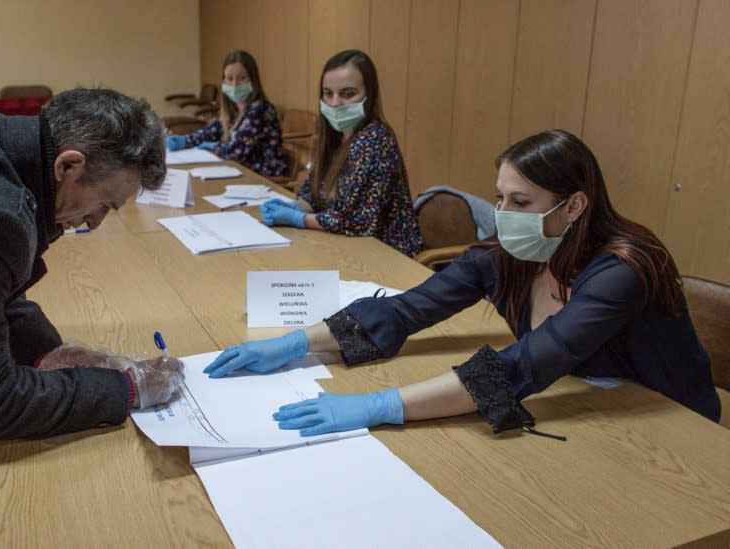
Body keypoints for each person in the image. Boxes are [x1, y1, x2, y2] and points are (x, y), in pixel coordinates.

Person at [204, 129, 721, 436]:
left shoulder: (623, 270)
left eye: (521, 203)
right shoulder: (515, 255)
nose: (503, 215)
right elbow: (409, 309)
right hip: (589, 407)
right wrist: (294, 343)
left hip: (664, 423)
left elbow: (527, 364)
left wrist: (381, 406)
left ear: (575, 206)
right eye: (500, 199)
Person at [0, 88, 184, 440]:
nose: (94, 223)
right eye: (104, 204)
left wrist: (49, 353)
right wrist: (127, 388)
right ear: (68, 165)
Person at [259, 49, 423, 257]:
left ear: (369, 94)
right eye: (328, 93)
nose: (335, 103)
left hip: (386, 256)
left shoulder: (375, 139)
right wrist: (298, 205)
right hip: (343, 246)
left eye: (348, 94)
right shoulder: (334, 136)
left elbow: (356, 223)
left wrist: (297, 219)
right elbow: (313, 191)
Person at [166, 50, 287, 178]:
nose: (235, 84)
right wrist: (184, 140)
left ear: (253, 80)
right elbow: (210, 132)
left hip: (263, 179)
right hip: (237, 172)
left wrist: (212, 147)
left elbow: (235, 152)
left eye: (242, 78)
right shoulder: (232, 110)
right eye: (229, 78)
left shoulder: (261, 109)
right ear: (223, 81)